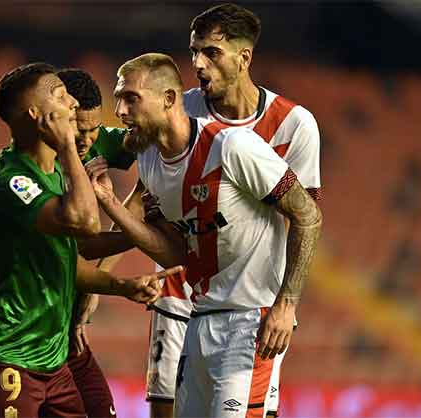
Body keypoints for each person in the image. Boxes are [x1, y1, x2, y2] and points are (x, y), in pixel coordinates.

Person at [85, 53, 322, 418]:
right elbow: (177, 254)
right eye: (119, 98)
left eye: (131, 98)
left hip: (250, 322)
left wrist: (286, 303)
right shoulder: (151, 160)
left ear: (167, 99)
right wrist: (110, 203)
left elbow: (308, 214)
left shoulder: (231, 147)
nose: (120, 110)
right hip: (199, 320)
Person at [0, 62, 181, 418]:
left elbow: (69, 260)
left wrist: (121, 283)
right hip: (5, 354)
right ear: (38, 115)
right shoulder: (15, 183)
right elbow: (86, 225)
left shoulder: (60, 161)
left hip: (53, 352)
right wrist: (67, 149)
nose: (73, 106)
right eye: (62, 98)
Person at [140, 4, 324, 417]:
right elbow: (141, 195)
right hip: (182, 289)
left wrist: (287, 302)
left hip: (248, 302)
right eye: (194, 53)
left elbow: (306, 216)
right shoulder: (179, 110)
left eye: (211, 53)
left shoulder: (294, 125)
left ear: (244, 58)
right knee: (166, 408)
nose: (198, 64)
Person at [57, 67, 139, 418]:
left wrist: (96, 286)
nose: (88, 140)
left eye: (94, 129)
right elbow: (81, 245)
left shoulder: (99, 140)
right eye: (79, 129)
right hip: (34, 332)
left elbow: (158, 160)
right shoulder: (35, 166)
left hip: (71, 333)